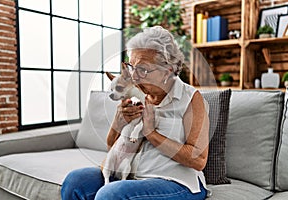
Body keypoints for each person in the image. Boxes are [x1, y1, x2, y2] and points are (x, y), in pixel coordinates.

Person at [61, 26, 210, 200]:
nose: (134, 76)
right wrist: (118, 123)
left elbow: (198, 160)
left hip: (176, 181)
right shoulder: (137, 97)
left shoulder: (190, 98)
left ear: (167, 70)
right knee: (75, 182)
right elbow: (112, 146)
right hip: (130, 174)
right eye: (132, 67)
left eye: (143, 69)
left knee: (110, 195)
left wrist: (151, 134)